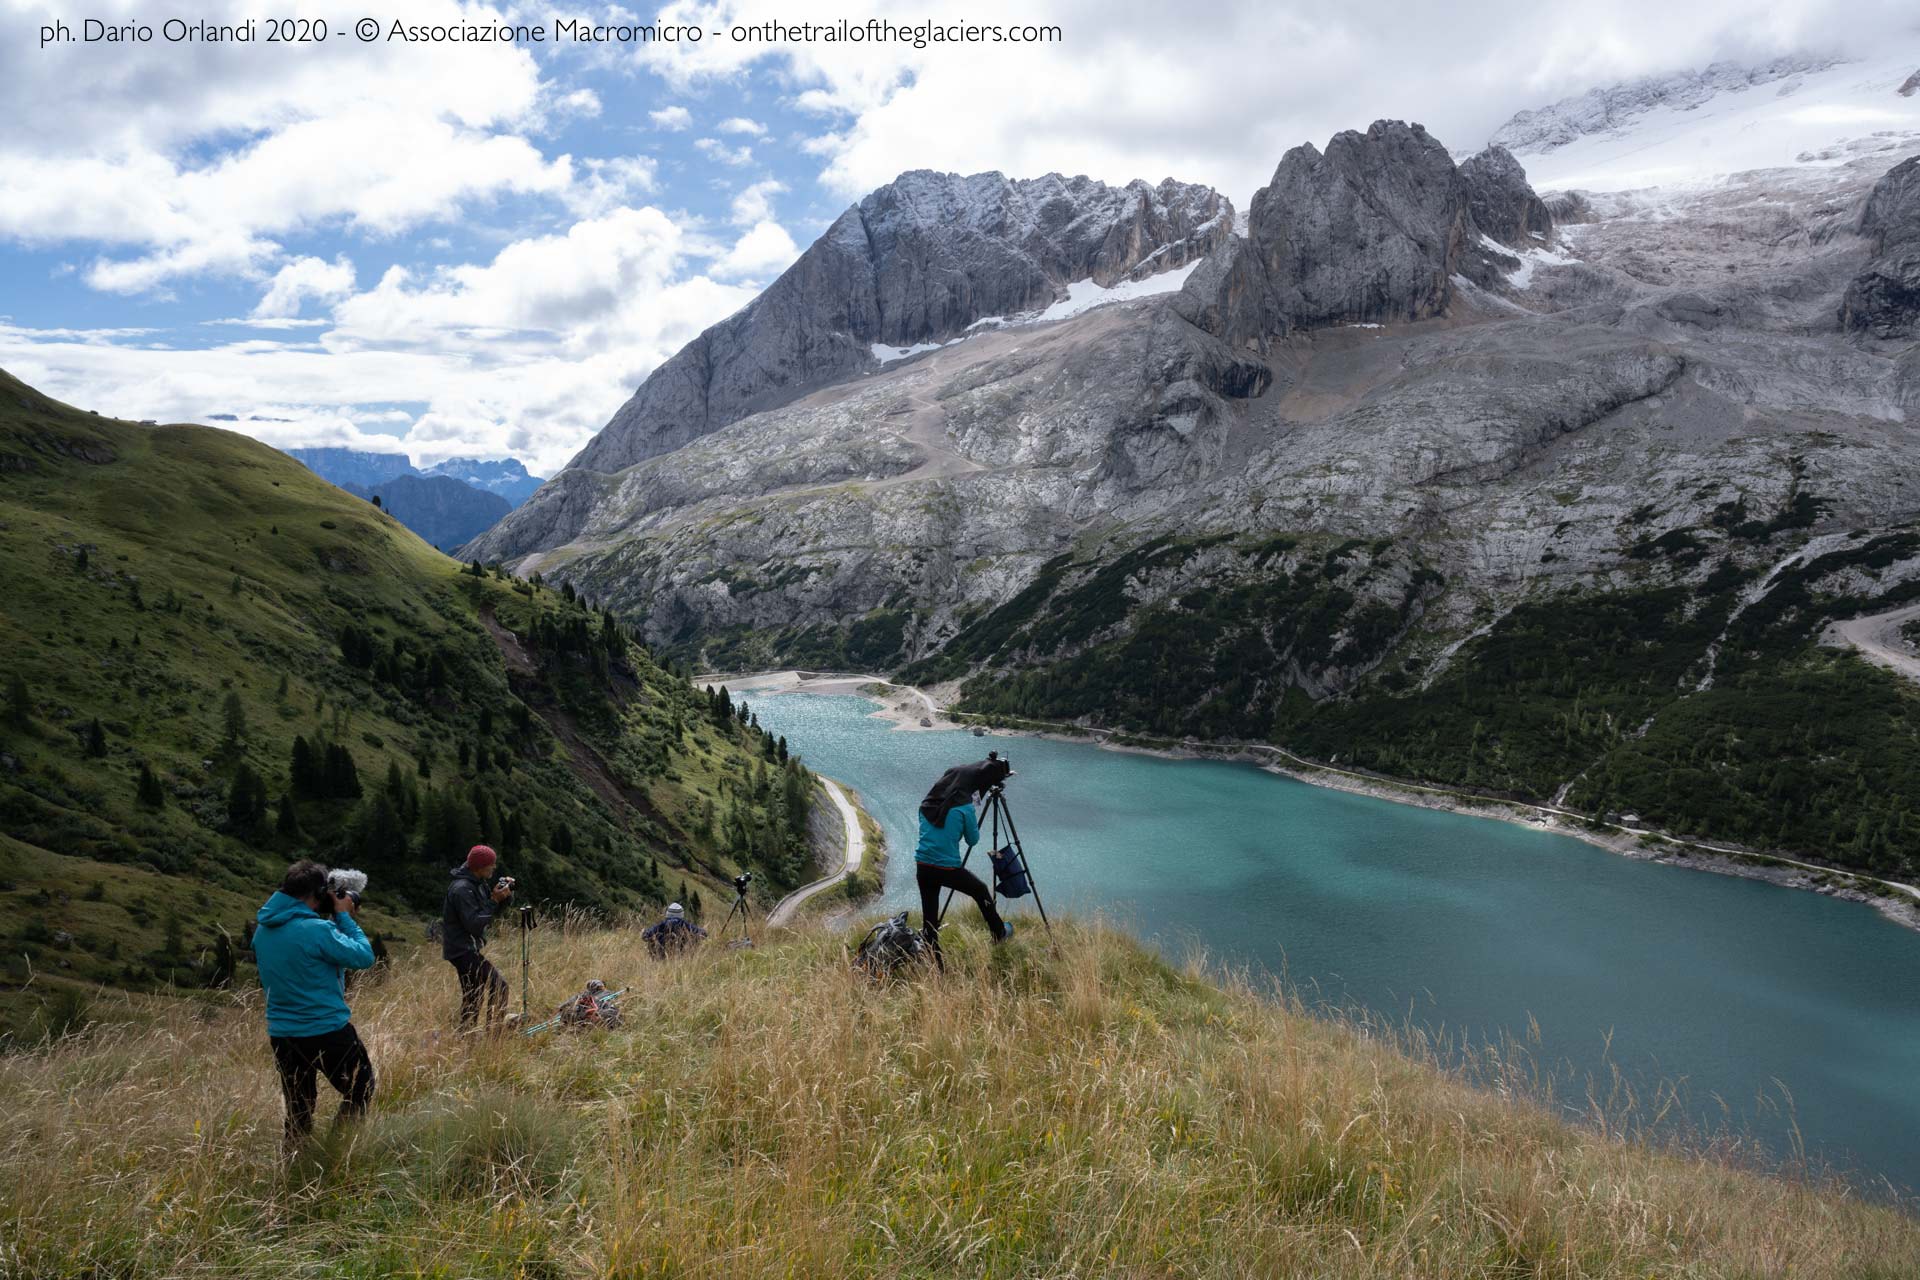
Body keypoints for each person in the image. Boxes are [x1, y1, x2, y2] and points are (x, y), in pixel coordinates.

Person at [253, 858, 377, 1152]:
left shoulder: (263, 931)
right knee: (360, 1087)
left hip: (283, 1034)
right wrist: (344, 916)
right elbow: (364, 957)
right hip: (326, 1030)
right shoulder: (316, 931)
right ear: (318, 893)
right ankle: (339, 1151)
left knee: (299, 1109)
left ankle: (294, 1167)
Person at [915, 756, 1014, 962]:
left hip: (923, 867)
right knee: (981, 890)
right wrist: (970, 814)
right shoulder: (964, 807)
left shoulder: (927, 803)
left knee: (930, 922)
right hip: (948, 869)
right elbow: (973, 840)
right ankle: (999, 933)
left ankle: (934, 962)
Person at [442, 844, 513, 1031]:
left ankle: (467, 1036)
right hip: (462, 950)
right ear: (479, 867)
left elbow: (488, 913)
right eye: (491, 864)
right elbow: (474, 923)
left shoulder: (475, 882)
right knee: (500, 987)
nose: (494, 867)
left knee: (473, 994)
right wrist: (494, 900)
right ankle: (494, 1035)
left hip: (463, 949)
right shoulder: (462, 889)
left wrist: (504, 896)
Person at [642, 902, 707, 958]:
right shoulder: (684, 924)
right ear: (681, 914)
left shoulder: (662, 925)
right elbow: (704, 934)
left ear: (668, 913)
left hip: (661, 958)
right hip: (682, 957)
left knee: (652, 940)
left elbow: (645, 936)